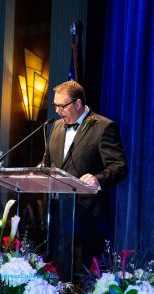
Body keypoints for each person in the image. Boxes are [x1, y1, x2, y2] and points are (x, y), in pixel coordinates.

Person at [43, 80, 128, 280]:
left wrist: (97, 179)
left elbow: (119, 166)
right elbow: (48, 164)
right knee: (57, 274)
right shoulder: (55, 127)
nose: (57, 111)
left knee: (85, 277)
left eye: (62, 106)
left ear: (78, 104)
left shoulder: (103, 126)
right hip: (58, 214)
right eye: (55, 106)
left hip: (89, 216)